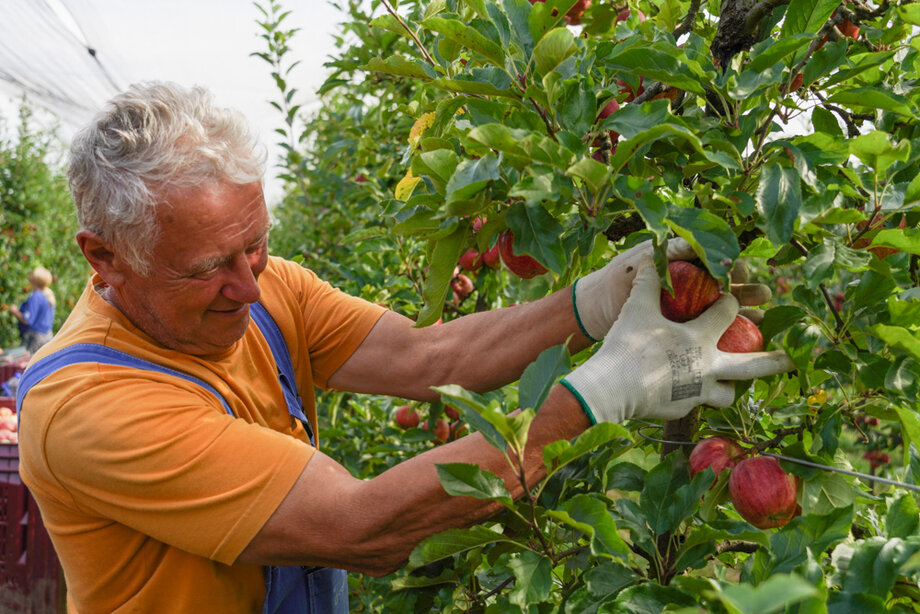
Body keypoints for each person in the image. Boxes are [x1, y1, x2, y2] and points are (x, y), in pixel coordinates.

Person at [16, 82, 793, 613]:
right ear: (104, 258)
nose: (248, 287)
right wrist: (602, 393)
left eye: (254, 246)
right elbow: (361, 527)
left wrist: (598, 299)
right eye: (208, 268)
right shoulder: (87, 408)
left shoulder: (267, 287)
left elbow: (431, 358)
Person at [8, 266, 56, 354]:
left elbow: (27, 320)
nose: (29, 276)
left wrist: (15, 311)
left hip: (35, 339)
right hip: (47, 337)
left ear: (35, 279)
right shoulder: (47, 296)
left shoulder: (36, 296)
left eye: (32, 274)